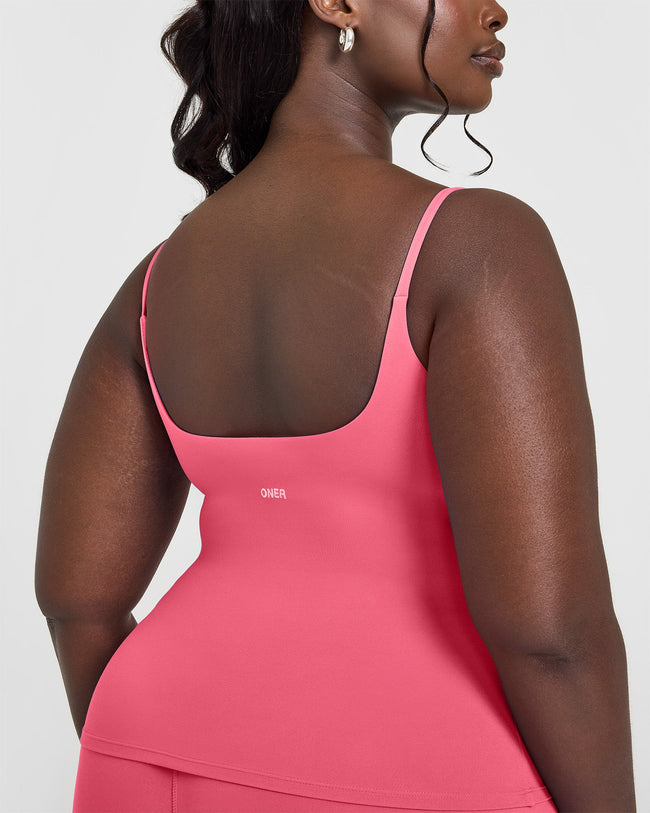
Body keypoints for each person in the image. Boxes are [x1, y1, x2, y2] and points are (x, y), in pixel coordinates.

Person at [34, 0, 636, 811]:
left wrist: (172, 740)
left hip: (154, 759)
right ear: (338, 4)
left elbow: (75, 600)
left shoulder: (155, 282)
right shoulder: (477, 245)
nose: (496, 11)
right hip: (430, 772)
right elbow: (550, 634)